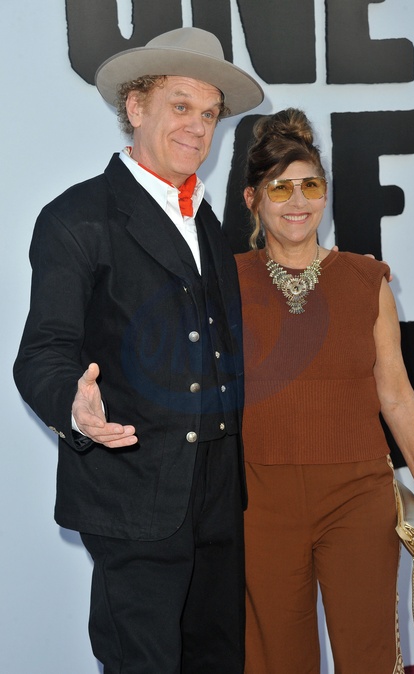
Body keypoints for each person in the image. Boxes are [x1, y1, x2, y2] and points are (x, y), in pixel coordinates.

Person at [13, 27, 263, 674]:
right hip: (132, 496)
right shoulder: (76, 217)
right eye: (181, 106)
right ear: (136, 106)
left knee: (218, 661)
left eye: (209, 113)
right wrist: (75, 408)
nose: (198, 127)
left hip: (216, 500)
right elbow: (42, 353)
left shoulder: (207, 222)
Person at [236, 108, 414, 674]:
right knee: (275, 662)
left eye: (310, 185)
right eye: (280, 187)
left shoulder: (365, 280)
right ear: (253, 199)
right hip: (259, 501)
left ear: (325, 195)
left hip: (358, 497)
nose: (297, 201)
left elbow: (396, 394)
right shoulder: (226, 282)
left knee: (369, 655)